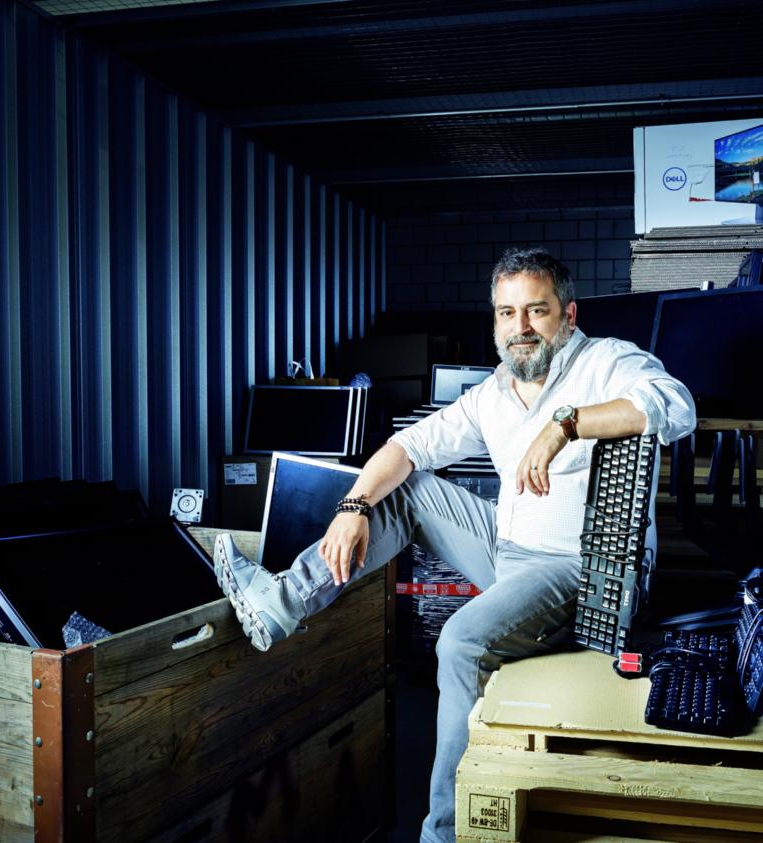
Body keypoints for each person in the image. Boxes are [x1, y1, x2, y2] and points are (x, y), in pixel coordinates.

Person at [213, 247, 696, 843]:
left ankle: (446, 833)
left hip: (582, 568)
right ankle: (284, 601)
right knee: (408, 488)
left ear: (568, 315)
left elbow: (676, 406)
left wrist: (566, 423)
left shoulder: (607, 361)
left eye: (537, 310)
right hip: (507, 548)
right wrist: (351, 507)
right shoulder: (495, 392)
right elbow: (407, 447)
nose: (521, 327)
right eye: (507, 313)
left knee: (461, 641)